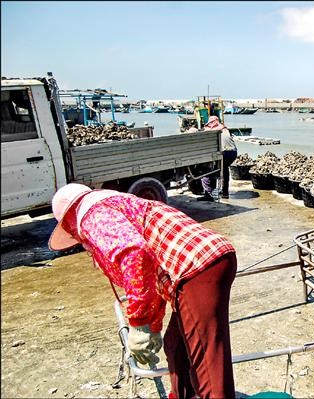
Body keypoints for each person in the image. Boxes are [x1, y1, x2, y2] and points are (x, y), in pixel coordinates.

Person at [48, 183, 237, 399]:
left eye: (70, 229)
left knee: (207, 360)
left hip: (195, 266)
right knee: (175, 345)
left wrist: (138, 323)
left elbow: (135, 254)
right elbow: (149, 277)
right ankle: (183, 395)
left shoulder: (93, 213)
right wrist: (153, 326)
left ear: (71, 219)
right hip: (203, 261)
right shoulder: (118, 205)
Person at [201, 116, 238, 200]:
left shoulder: (211, 130)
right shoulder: (224, 128)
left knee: (210, 170)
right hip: (233, 152)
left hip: (224, 153)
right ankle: (225, 193)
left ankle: (209, 194)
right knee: (224, 170)